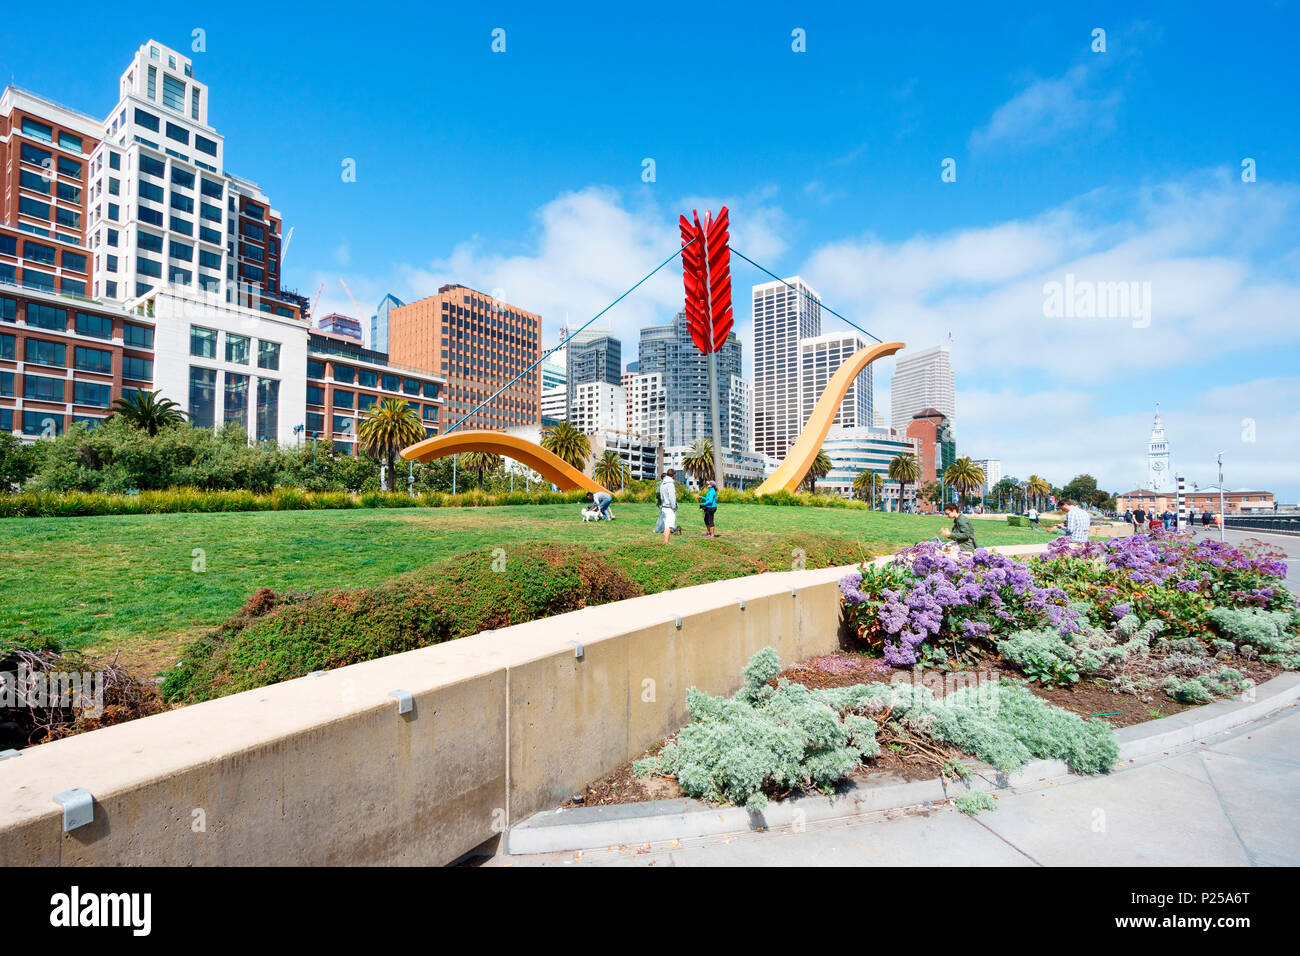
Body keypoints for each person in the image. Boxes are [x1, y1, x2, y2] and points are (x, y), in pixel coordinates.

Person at [658, 469, 679, 544]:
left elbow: (661, 496)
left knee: (666, 525)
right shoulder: (670, 484)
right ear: (674, 475)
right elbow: (672, 497)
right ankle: (666, 542)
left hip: (664, 506)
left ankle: (665, 541)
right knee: (669, 526)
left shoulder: (662, 483)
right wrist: (674, 507)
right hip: (669, 508)